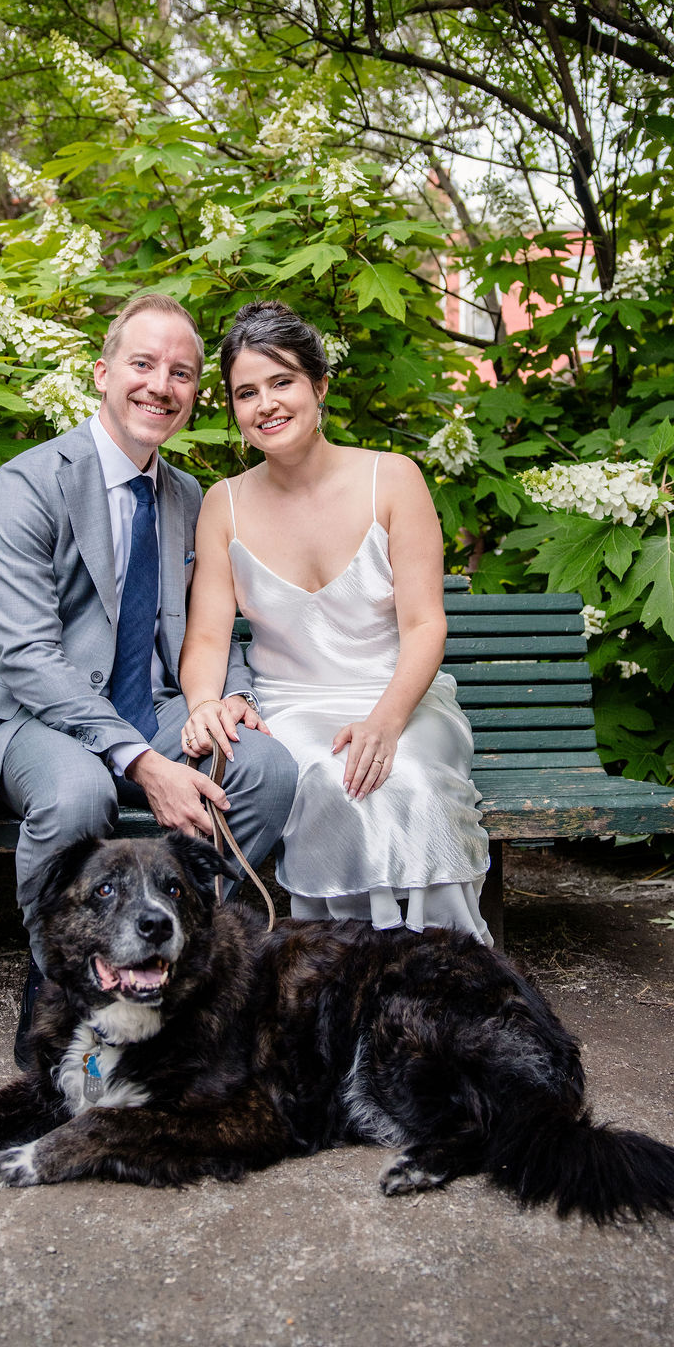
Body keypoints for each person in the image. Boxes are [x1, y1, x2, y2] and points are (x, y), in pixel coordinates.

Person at [0, 294, 298, 1059]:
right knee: (80, 793)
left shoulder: (190, 496)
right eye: (142, 364)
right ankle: (62, 981)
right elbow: (28, 655)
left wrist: (230, 693)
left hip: (152, 710)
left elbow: (210, 623)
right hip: (35, 721)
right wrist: (144, 762)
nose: (160, 385)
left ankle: (172, 965)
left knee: (262, 767)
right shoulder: (29, 483)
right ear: (102, 373)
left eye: (182, 373)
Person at [179, 299, 492, 942]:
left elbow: (426, 624)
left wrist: (386, 720)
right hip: (293, 708)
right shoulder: (224, 505)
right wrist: (205, 702)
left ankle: (449, 966)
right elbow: (208, 635)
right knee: (328, 776)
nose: (265, 403)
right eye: (245, 392)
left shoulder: (393, 479)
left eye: (282, 381)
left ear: (319, 386)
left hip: (400, 697)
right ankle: (340, 972)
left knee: (406, 777)